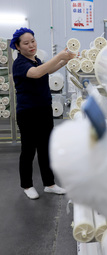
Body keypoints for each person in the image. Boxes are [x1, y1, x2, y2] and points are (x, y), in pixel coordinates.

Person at [10, 27, 76, 199]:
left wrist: (65, 61)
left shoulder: (36, 60)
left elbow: (47, 70)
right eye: (26, 43)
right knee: (29, 150)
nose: (31, 45)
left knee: (46, 148)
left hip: (44, 109)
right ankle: (27, 185)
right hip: (28, 113)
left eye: (33, 41)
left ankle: (49, 184)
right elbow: (38, 73)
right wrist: (58, 57)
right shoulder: (20, 64)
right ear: (18, 47)